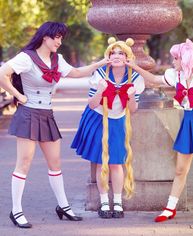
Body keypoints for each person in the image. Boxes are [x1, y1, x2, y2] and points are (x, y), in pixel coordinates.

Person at [0, 21, 110, 228]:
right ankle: (16, 210)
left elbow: (76, 73)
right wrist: (18, 96)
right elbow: (2, 74)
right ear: (45, 37)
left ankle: (63, 206)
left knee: (55, 163)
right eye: (57, 37)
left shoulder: (57, 60)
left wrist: (101, 63)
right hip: (29, 114)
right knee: (24, 163)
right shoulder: (27, 57)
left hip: (47, 114)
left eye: (61, 38)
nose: (60, 41)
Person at [125, 39, 193, 227]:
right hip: (188, 123)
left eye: (175, 58)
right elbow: (153, 79)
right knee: (180, 169)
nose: (173, 61)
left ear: (184, 59)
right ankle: (170, 207)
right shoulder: (177, 76)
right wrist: (133, 66)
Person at [71, 37, 145, 219]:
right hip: (97, 118)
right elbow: (91, 104)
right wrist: (100, 91)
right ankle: (104, 202)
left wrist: (131, 96)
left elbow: (133, 110)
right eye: (113, 52)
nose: (117, 56)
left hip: (118, 120)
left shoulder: (135, 77)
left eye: (121, 53)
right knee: (101, 161)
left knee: (116, 162)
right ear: (108, 55)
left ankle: (118, 203)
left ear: (128, 56)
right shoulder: (100, 74)